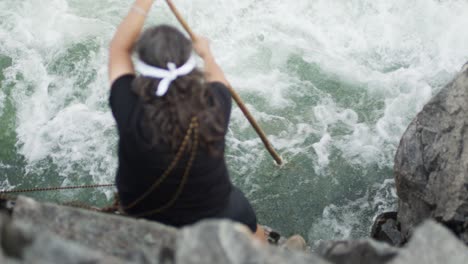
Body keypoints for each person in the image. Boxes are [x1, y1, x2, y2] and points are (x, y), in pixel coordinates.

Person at [108, 0, 267, 242]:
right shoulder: (214, 104)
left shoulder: (129, 108)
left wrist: (143, 3)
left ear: (143, 68)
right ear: (189, 64)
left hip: (141, 208)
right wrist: (206, 53)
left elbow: (119, 49)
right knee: (254, 230)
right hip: (211, 210)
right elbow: (217, 77)